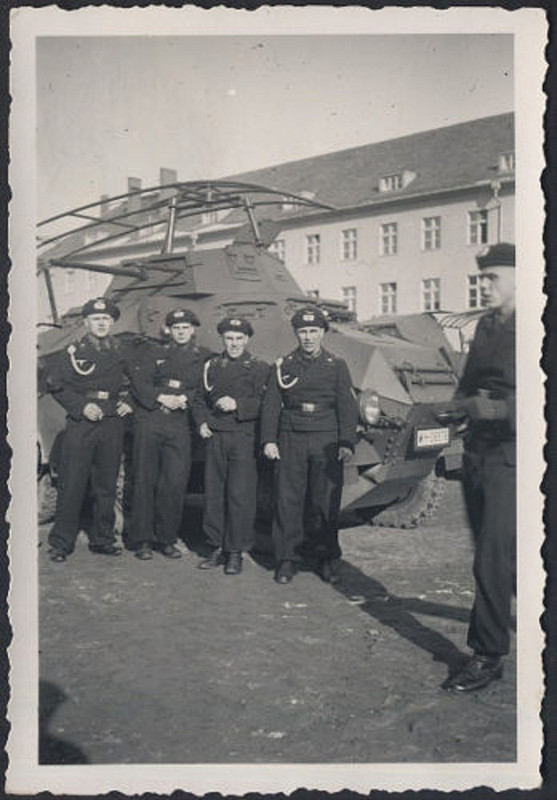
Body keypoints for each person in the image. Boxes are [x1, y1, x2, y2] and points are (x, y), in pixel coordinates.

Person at [442, 242, 516, 693]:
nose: (484, 285)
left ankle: (487, 655)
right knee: (502, 555)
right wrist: (451, 411)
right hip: (479, 456)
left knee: (492, 557)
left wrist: (487, 410)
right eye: (482, 278)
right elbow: (468, 384)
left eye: (493, 278)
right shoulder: (487, 325)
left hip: (515, 454)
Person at [260, 306, 359, 584]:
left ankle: (325, 557)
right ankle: (287, 559)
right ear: (296, 334)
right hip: (291, 437)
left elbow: (346, 406)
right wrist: (269, 439)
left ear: (323, 333)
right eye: (303, 332)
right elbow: (270, 406)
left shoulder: (336, 365)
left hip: (326, 438)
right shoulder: (283, 365)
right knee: (287, 500)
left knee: (324, 501)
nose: (308, 337)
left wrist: (346, 442)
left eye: (314, 331)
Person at [47, 298, 133, 562]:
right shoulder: (73, 350)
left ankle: (103, 539)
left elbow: (135, 382)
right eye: (96, 319)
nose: (101, 323)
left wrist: (128, 402)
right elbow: (55, 383)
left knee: (105, 485)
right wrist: (82, 406)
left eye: (106, 319)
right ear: (86, 322)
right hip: (82, 421)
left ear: (112, 322)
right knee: (72, 483)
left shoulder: (121, 349)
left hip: (111, 423)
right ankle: (62, 543)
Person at [128, 308, 211, 561]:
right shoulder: (154, 352)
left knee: (173, 484)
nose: (181, 332)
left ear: (193, 329)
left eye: (186, 327)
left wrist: (184, 397)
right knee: (145, 480)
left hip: (180, 425)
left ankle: (166, 538)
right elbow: (139, 382)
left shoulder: (204, 357)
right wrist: (160, 396)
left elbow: (204, 390)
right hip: (152, 420)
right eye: (176, 328)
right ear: (169, 331)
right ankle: (142, 539)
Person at [193, 317, 269, 575]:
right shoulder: (212, 365)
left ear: (247, 340)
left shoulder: (259, 367)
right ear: (222, 340)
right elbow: (199, 398)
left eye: (239, 338)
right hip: (216, 435)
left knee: (239, 494)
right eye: (229, 338)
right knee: (214, 493)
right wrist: (202, 422)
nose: (234, 343)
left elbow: (267, 404)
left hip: (243, 437)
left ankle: (235, 550)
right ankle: (215, 546)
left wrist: (239, 405)